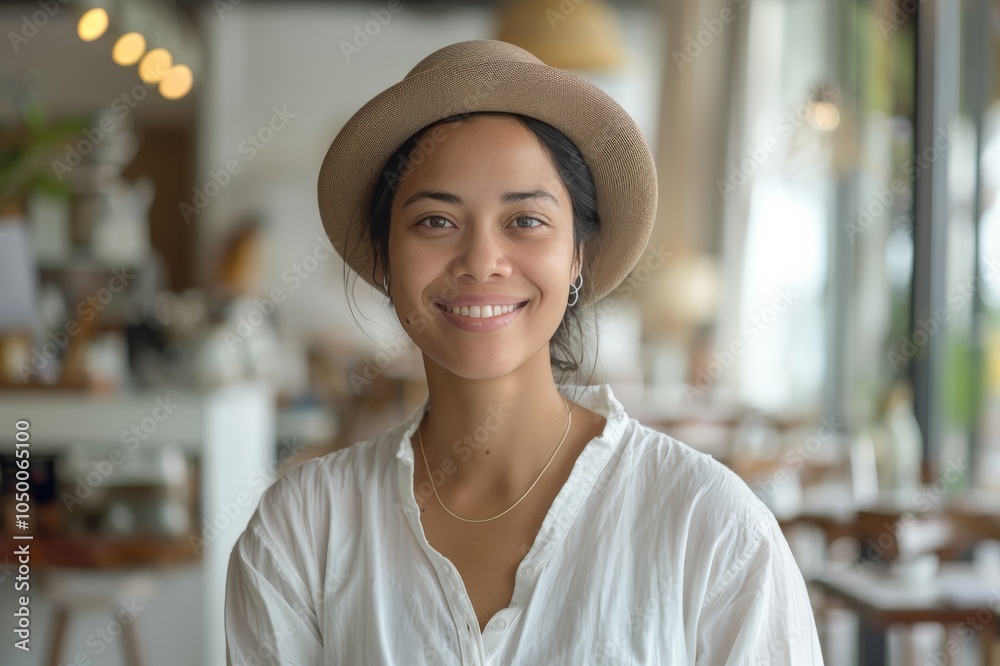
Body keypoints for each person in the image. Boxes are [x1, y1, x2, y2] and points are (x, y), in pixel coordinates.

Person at [224, 40, 824, 665]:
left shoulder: (711, 526)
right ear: (385, 259)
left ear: (576, 257)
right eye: (435, 220)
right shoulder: (302, 531)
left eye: (526, 221)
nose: (482, 261)